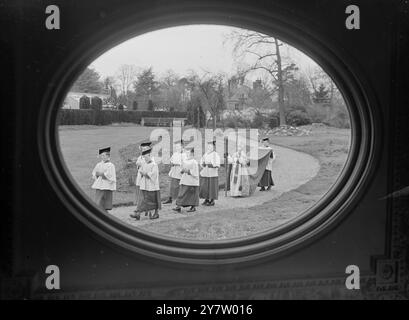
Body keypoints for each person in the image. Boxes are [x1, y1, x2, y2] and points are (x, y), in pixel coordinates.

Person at [131, 147, 161, 220]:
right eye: (144, 157)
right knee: (142, 199)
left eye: (146, 157)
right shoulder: (144, 163)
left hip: (152, 186)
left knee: (152, 200)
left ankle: (155, 213)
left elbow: (154, 175)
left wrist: (146, 174)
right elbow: (140, 170)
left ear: (150, 155)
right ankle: (138, 213)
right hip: (144, 184)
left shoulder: (154, 165)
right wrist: (142, 173)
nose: (145, 159)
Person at [173, 147, 200, 213]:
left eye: (189, 153)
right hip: (185, 180)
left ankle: (193, 207)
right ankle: (178, 206)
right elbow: (181, 169)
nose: (188, 154)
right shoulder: (185, 161)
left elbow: (195, 173)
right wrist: (182, 170)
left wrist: (188, 171)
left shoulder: (194, 162)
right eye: (187, 153)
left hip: (192, 181)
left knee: (192, 195)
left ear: (193, 154)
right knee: (181, 193)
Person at [91, 147, 116, 212]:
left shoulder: (110, 165)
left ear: (108, 156)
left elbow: (110, 176)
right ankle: (103, 214)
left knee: (103, 201)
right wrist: (96, 174)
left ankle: (102, 213)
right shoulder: (98, 164)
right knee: (98, 201)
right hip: (99, 185)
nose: (102, 157)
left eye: (103, 155)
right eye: (101, 155)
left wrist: (101, 174)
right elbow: (94, 172)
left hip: (106, 186)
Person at [133, 141, 154, 215]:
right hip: (140, 177)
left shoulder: (151, 157)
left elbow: (151, 168)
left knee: (146, 195)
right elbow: (138, 165)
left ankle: (142, 211)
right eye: (142, 149)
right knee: (141, 194)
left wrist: (141, 164)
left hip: (147, 178)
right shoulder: (140, 157)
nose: (143, 150)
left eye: (145, 148)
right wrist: (138, 164)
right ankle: (141, 210)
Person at [163, 140, 186, 204]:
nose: (177, 148)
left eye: (179, 146)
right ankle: (170, 198)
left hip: (180, 171)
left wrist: (179, 165)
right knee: (172, 185)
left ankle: (179, 199)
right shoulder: (175, 154)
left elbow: (185, 163)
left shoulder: (184, 154)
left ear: (182, 146)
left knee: (179, 186)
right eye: (176, 147)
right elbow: (171, 161)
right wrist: (172, 163)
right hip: (174, 171)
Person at [199, 140, 221, 206]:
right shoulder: (205, 154)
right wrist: (203, 164)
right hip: (206, 172)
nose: (209, 147)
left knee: (211, 187)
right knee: (205, 186)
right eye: (208, 146)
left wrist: (210, 164)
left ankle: (212, 200)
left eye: (211, 146)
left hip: (212, 173)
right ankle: (206, 199)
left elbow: (217, 164)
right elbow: (201, 162)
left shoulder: (215, 154)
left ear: (213, 147)